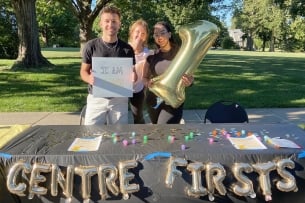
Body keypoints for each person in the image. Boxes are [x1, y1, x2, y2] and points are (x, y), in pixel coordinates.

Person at [80, 6, 136, 125]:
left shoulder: (127, 49)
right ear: (100, 24)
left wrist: (133, 77)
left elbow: (133, 73)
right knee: (91, 133)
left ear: (119, 24)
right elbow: (83, 72)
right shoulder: (91, 46)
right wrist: (89, 78)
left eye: (114, 21)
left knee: (118, 135)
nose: (111, 24)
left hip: (119, 99)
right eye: (107, 21)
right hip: (96, 98)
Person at [142, 21, 194, 124]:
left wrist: (190, 81)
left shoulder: (181, 54)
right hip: (153, 100)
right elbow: (145, 77)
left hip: (173, 101)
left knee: (164, 128)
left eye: (162, 33)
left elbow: (191, 77)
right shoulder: (151, 56)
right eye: (156, 34)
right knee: (158, 131)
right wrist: (147, 82)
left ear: (169, 34)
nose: (159, 36)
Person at [128, 19, 152, 124]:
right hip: (121, 89)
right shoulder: (123, 48)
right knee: (118, 116)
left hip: (138, 90)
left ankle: (141, 136)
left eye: (143, 33)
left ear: (146, 36)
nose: (139, 35)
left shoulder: (148, 53)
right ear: (132, 32)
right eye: (137, 32)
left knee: (138, 116)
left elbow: (148, 74)